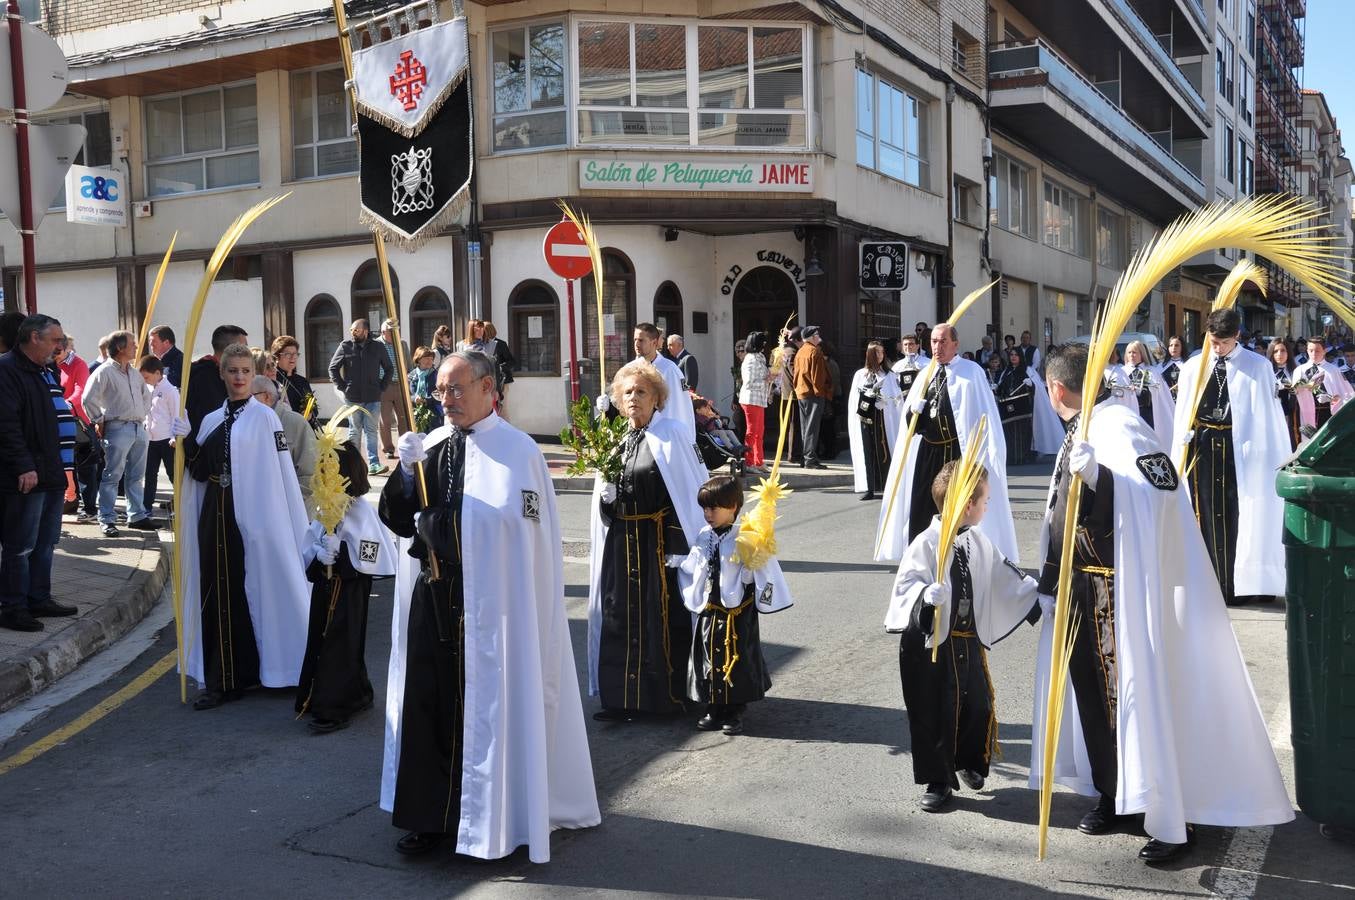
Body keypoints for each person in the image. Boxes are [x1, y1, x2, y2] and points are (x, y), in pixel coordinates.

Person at [1031, 341, 1293, 864]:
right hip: (1084, 590)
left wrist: (1100, 479)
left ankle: (1171, 818)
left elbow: (1161, 491)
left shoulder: (1118, 428)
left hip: (1122, 595)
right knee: (1096, 705)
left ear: (1057, 389)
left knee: (1138, 701)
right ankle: (1116, 794)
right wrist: (1048, 579)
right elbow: (1061, 511)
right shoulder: (1080, 431)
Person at [381, 350, 600, 860]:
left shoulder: (519, 452)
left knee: (490, 710)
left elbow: (520, 534)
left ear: (488, 389)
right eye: (440, 391)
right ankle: (428, 818)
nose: (446, 400)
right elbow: (397, 517)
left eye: (456, 389)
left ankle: (494, 817)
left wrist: (451, 528)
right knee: (429, 708)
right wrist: (408, 474)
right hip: (436, 598)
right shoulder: (430, 444)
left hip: (493, 605)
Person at [886, 461, 1038, 811]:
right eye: (984, 501)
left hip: (967, 639)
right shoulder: (925, 544)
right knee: (935, 711)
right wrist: (925, 597)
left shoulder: (976, 540)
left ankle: (970, 759)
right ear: (968, 505)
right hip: (932, 645)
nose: (988, 507)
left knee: (977, 704)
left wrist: (1037, 593)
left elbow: (1004, 573)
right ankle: (938, 781)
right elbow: (906, 587)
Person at [175, 343, 311, 710]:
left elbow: (277, 474)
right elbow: (201, 471)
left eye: (245, 372)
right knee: (217, 593)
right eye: (232, 371)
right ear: (222, 374)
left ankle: (272, 668)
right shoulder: (210, 420)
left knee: (257, 590)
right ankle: (223, 678)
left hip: (254, 520)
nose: (238, 378)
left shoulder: (264, 418)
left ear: (254, 376)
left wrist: (270, 523)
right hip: (215, 517)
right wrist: (184, 439)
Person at [587, 360, 706, 721]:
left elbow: (688, 495)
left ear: (657, 398)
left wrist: (677, 548)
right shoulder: (616, 439)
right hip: (622, 546)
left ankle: (663, 698)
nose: (634, 398)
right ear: (618, 402)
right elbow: (604, 506)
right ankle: (621, 699)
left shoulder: (672, 435)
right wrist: (607, 499)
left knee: (660, 619)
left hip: (658, 547)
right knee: (618, 616)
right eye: (627, 393)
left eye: (641, 391)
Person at [1172, 308, 1290, 605]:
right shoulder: (1194, 366)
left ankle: (1245, 583)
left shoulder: (1257, 366)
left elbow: (1266, 419)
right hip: (1203, 449)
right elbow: (1184, 412)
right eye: (1213, 342)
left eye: (1223, 343)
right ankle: (1213, 583)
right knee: (1207, 514)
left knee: (1242, 513)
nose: (1218, 348)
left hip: (1242, 452)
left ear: (1237, 336)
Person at [876, 324, 1018, 563]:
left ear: (955, 344)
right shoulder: (925, 373)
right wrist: (913, 412)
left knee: (958, 508)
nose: (937, 347)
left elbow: (982, 415)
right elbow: (911, 426)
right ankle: (922, 558)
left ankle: (958, 559)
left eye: (942, 341)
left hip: (956, 452)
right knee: (922, 506)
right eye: (933, 341)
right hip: (928, 450)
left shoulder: (971, 372)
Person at [677, 474, 792, 735]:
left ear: (733, 507)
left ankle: (734, 710)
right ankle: (713, 706)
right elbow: (694, 568)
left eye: (714, 507)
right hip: (710, 611)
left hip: (737, 613)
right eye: (705, 508)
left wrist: (753, 565)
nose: (708, 513)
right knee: (708, 658)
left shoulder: (745, 536)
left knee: (736, 660)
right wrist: (679, 566)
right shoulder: (704, 536)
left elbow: (761, 572)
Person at [295, 440, 395, 733]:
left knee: (342, 644)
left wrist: (343, 556)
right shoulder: (324, 508)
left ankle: (335, 707)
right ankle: (347, 695)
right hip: (325, 590)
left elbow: (371, 553)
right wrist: (319, 553)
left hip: (350, 591)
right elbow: (308, 546)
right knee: (320, 640)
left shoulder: (360, 511)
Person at [0, 315, 79, 632]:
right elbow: (7, 424)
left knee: (46, 542)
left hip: (51, 471)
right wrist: (24, 465)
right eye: (55, 340)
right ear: (34, 337)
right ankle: (13, 606)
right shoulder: (7, 370)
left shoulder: (45, 370)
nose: (59, 346)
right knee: (20, 545)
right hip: (28, 475)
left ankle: (38, 598)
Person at [82, 330, 154, 536]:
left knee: (136, 475)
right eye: (132, 343)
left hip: (137, 428)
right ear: (121, 348)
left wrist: (140, 414)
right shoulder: (104, 372)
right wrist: (98, 420)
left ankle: (137, 515)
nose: (136, 347)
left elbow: (145, 396)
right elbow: (88, 399)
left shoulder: (133, 372)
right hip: (118, 427)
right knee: (112, 475)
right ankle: (106, 519)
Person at [328, 319, 391, 475]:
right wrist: (343, 387)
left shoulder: (378, 347)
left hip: (373, 398)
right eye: (351, 330)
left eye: (356, 330)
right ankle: (353, 466)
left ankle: (374, 464)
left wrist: (381, 387)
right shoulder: (345, 346)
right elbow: (333, 368)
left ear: (366, 331)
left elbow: (389, 368)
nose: (352, 332)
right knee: (354, 431)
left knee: (371, 431)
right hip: (353, 398)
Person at [252, 376, 317, 509]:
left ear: (266, 397)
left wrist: (284, 502)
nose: (245, 403)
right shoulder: (248, 424)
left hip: (294, 511)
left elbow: (310, 475)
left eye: (250, 397)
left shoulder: (296, 423)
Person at [848, 341, 901, 501]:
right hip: (866, 419)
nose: (880, 356)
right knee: (867, 451)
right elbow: (854, 398)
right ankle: (869, 487)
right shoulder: (860, 375)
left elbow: (897, 398)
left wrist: (885, 402)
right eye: (876, 353)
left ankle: (888, 486)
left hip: (884, 420)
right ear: (870, 354)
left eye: (882, 352)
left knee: (885, 449)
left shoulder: (890, 375)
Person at [628, 322, 695, 442]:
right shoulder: (630, 368)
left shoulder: (669, 369)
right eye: (635, 340)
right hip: (636, 431)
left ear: (654, 342)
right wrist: (609, 405)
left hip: (662, 435)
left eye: (641, 340)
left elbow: (680, 406)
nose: (636, 344)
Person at [184, 324, 248, 438]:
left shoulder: (211, 372)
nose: (248, 352)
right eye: (244, 348)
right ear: (231, 349)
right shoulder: (206, 378)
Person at [139, 356, 179, 517]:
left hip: (167, 440)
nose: (145, 381)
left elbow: (176, 415)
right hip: (150, 438)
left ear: (157, 373)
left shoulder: (170, 390)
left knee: (172, 474)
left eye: (147, 377)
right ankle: (146, 507)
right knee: (149, 474)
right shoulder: (149, 388)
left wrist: (175, 436)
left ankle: (178, 506)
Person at [1121, 340, 1175, 448]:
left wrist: (1147, 388)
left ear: (1141, 354)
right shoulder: (1122, 372)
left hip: (1147, 413)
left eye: (1135, 352)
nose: (1132, 355)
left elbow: (1160, 394)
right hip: (1128, 413)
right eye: (1129, 352)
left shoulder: (1152, 372)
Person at [1292, 335, 1353, 429]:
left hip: (1328, 414)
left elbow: (1346, 395)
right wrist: (1303, 387)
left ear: (1324, 351)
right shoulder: (1299, 370)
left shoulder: (1333, 370)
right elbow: (1294, 393)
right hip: (1305, 414)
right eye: (1311, 350)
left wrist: (1331, 398)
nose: (1313, 354)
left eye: (1317, 351)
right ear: (1307, 350)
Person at [792, 325, 831, 469]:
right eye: (817, 334)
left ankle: (806, 457)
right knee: (812, 428)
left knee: (805, 427)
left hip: (802, 392)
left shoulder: (801, 351)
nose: (819, 335)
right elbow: (818, 377)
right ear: (813, 337)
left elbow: (796, 374)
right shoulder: (814, 351)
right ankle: (810, 459)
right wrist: (823, 393)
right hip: (813, 394)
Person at [375, 318, 411, 461]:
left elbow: (408, 365)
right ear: (384, 332)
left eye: (396, 331)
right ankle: (388, 449)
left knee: (403, 418)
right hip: (383, 387)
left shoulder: (402, 344)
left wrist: (408, 383)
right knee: (385, 420)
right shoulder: (376, 345)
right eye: (392, 332)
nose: (395, 334)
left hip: (400, 385)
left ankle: (404, 446)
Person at [738, 331, 772, 473]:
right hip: (751, 398)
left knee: (759, 432)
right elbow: (749, 382)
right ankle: (749, 462)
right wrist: (766, 380)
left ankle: (759, 461)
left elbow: (764, 375)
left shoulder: (760, 357)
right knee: (752, 432)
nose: (765, 345)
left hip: (759, 398)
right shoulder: (750, 359)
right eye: (762, 342)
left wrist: (772, 375)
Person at [271, 335, 316, 425]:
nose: (292, 357)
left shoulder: (302, 381)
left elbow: (314, 408)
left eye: (295, 354)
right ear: (277, 357)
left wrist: (310, 415)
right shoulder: (272, 380)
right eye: (288, 354)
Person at [1269, 339, 1303, 449]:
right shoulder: (1266, 370)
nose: (1279, 354)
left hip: (1292, 416)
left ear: (1288, 352)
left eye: (1283, 351)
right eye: (1276, 351)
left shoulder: (1296, 371)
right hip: (1271, 415)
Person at [407, 345, 442, 433]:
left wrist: (426, 400)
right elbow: (407, 394)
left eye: (431, 359)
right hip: (416, 413)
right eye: (426, 358)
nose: (429, 361)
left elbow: (440, 393)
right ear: (418, 359)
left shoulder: (436, 375)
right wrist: (415, 399)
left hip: (434, 413)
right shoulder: (411, 375)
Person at [482, 321, 515, 407]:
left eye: (482, 332)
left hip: (503, 380)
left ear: (487, 332)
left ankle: (504, 421)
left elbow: (511, 362)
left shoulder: (501, 344)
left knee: (503, 408)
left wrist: (499, 367)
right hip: (490, 380)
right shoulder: (482, 344)